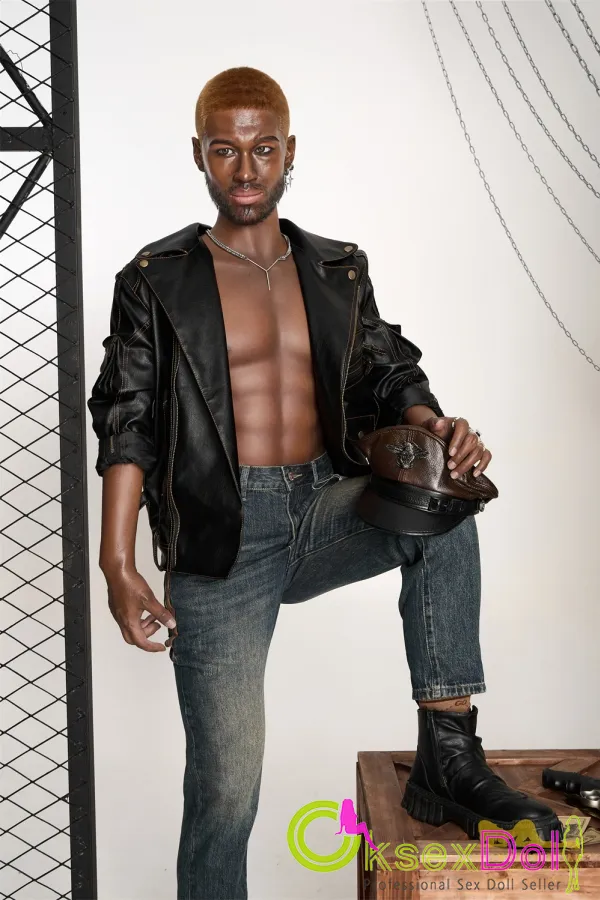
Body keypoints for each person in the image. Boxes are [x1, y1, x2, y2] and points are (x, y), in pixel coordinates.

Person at [87, 66, 561, 900]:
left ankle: (449, 755)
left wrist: (435, 427)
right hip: (221, 534)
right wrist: (117, 562)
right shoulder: (157, 279)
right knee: (226, 795)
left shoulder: (337, 269)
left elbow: (388, 371)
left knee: (446, 508)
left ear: (289, 151)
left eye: (263, 149)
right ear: (199, 155)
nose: (245, 169)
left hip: (321, 504)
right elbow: (128, 418)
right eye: (225, 150)